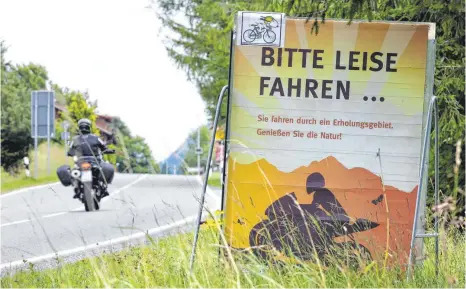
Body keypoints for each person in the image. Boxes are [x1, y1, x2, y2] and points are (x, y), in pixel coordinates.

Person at [67, 118, 111, 198]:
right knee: (101, 170)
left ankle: (77, 189)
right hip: (94, 161)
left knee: (75, 172)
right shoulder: (96, 138)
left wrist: (70, 153)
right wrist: (108, 150)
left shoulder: (75, 139)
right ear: (89, 127)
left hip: (80, 162)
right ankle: (103, 188)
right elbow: (104, 147)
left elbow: (70, 150)